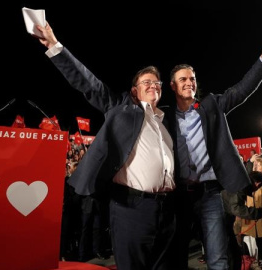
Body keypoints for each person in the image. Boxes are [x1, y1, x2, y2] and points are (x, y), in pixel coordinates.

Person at [33, 22, 176, 270]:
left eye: (157, 83)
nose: (154, 86)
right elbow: (88, 83)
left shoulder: (165, 123)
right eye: (147, 83)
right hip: (132, 208)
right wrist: (55, 46)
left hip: (166, 210)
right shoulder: (121, 108)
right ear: (134, 91)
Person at [166, 19, 262, 270]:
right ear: (173, 85)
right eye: (184, 79)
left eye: (193, 78)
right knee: (176, 257)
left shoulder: (211, 105)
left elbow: (242, 89)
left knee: (218, 258)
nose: (190, 82)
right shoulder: (163, 118)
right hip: (178, 197)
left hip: (210, 194)